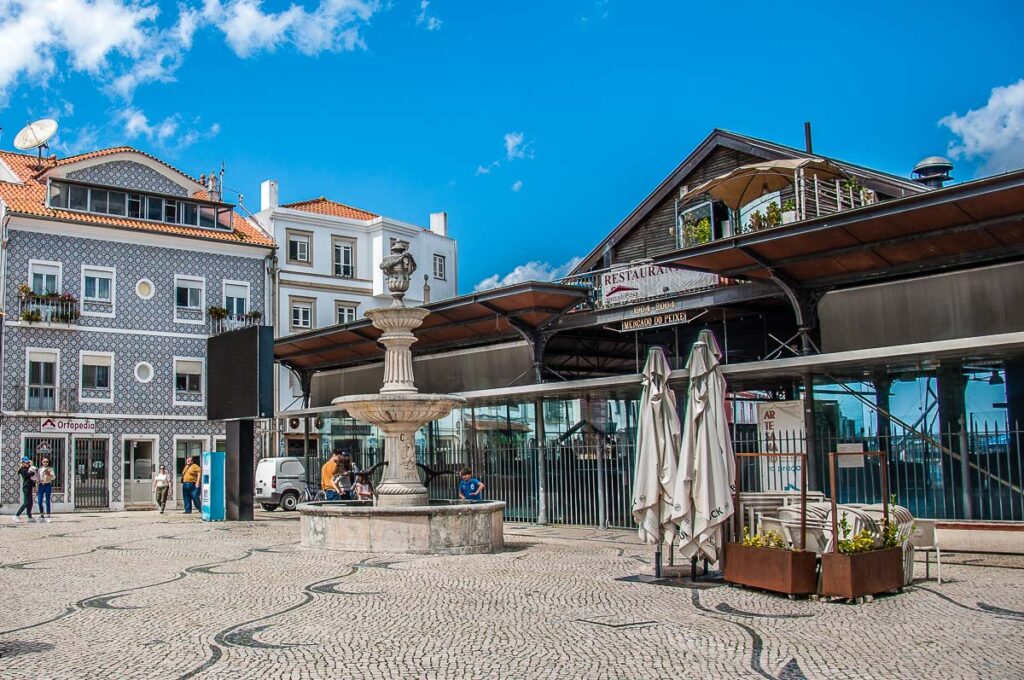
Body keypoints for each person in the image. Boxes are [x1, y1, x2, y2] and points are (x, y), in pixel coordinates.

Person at [14, 457, 36, 522]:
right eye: (27, 462)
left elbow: (32, 478)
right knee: (26, 503)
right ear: (23, 463)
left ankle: (29, 517)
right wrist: (33, 472)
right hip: (26, 487)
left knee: (30, 503)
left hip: (29, 487)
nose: (28, 463)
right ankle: (17, 515)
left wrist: (34, 485)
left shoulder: (28, 469)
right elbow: (27, 475)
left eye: (28, 462)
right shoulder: (23, 469)